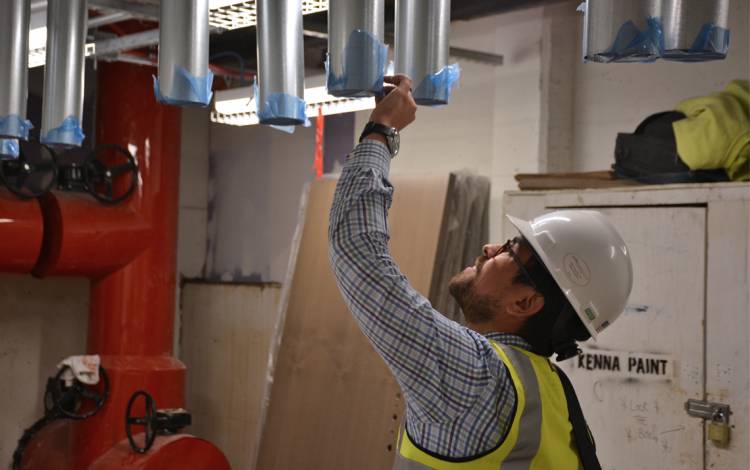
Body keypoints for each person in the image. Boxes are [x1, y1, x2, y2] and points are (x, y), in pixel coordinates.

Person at [328, 74, 633, 469]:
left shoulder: (476, 378)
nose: (490, 248)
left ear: (526, 301)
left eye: (510, 251)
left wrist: (381, 131)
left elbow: (357, 251)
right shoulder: (554, 396)